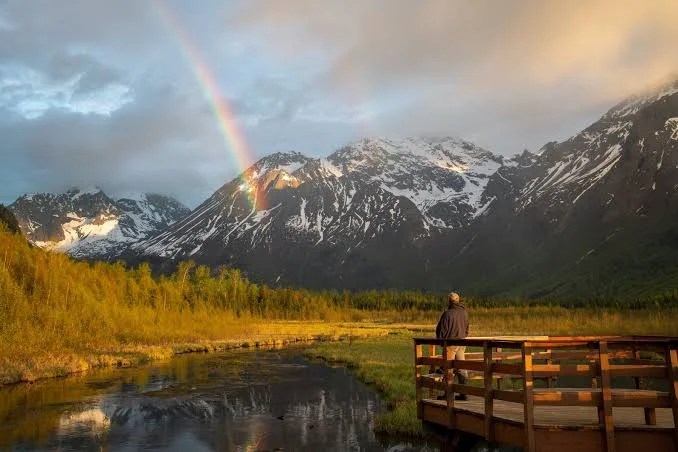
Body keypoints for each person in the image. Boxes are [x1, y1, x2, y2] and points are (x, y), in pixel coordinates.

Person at [435, 291, 469, 401]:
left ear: (449, 301)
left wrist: (441, 342)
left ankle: (448, 395)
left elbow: (441, 331)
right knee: (462, 368)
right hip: (462, 343)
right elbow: (467, 330)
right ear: (458, 300)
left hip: (450, 344)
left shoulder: (447, 314)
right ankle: (464, 394)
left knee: (447, 368)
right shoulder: (465, 313)